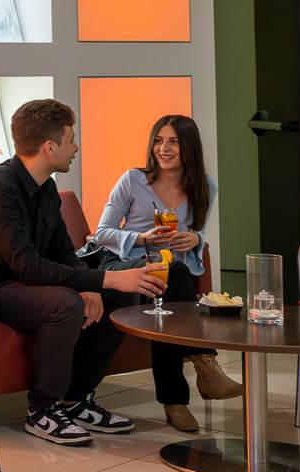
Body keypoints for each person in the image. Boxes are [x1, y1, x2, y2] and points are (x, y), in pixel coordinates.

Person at [0, 99, 166, 447]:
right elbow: (27, 265)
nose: (76, 148)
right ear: (50, 147)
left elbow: (62, 251)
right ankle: (42, 410)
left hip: (22, 285)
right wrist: (105, 278)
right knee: (64, 303)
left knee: (120, 294)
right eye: (71, 140)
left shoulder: (46, 186)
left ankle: (75, 399)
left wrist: (93, 287)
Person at [92, 114, 244, 433]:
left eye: (174, 142)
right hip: (121, 262)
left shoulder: (205, 187)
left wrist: (194, 240)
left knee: (169, 299)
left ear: (189, 146)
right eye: (159, 141)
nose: (164, 148)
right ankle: (203, 366)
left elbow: (197, 233)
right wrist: (142, 238)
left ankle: (177, 401)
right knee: (173, 274)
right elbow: (102, 233)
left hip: (166, 273)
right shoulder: (133, 180)